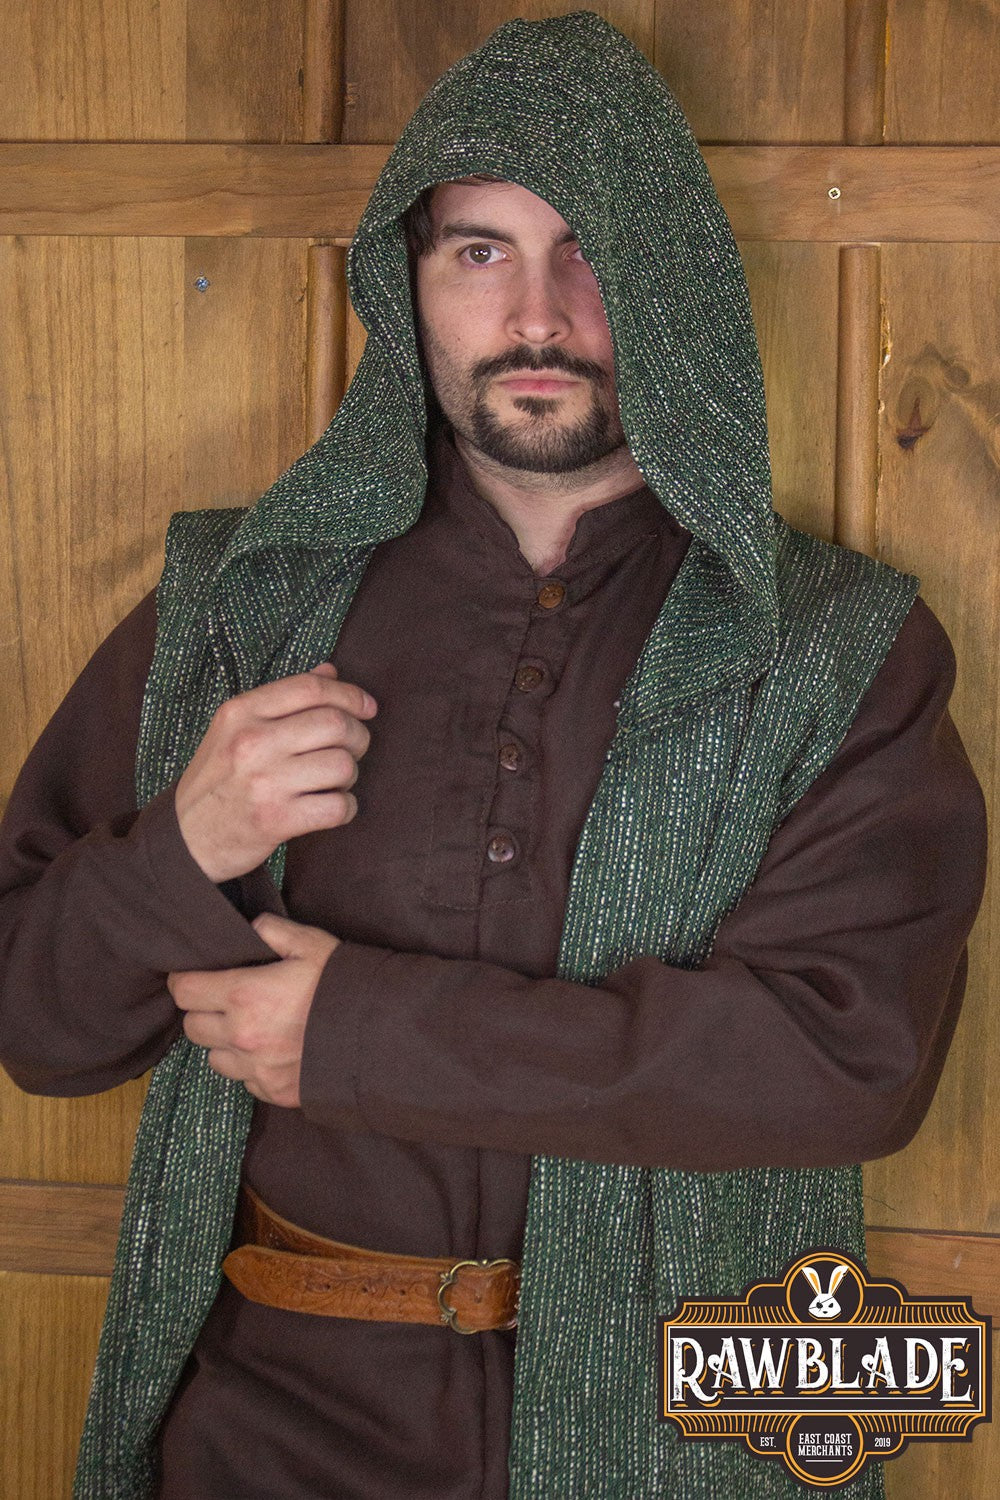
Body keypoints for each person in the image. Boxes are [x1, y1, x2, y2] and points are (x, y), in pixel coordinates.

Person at [0, 13, 986, 1500]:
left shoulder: (837, 650)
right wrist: (182, 844)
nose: (537, 312)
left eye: (590, 250)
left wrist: (362, 1034)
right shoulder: (235, 609)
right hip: (279, 1433)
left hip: (674, 1440)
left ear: (673, 283)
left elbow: (846, 1064)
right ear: (408, 289)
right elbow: (37, 1027)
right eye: (480, 250)